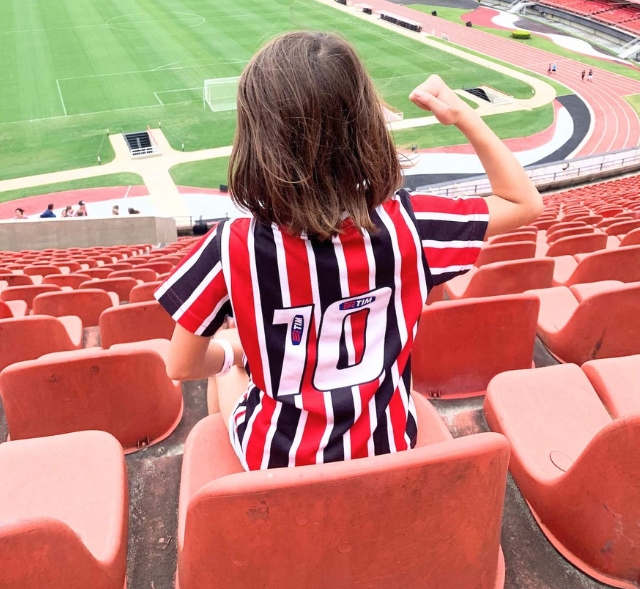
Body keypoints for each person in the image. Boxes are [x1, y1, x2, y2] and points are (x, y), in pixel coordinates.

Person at [156, 31, 542, 471]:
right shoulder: (412, 227)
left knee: (226, 359)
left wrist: (233, 353)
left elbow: (182, 367)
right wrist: (462, 116)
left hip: (279, 457)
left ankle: (246, 488)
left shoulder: (231, 245)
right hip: (390, 441)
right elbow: (524, 202)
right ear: (367, 127)